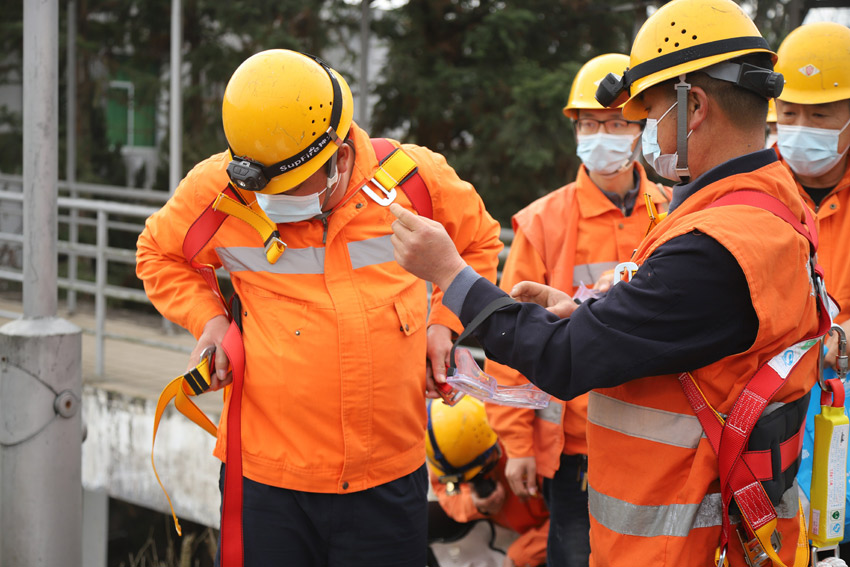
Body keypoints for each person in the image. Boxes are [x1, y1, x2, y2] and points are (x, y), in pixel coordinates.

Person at [389, 0, 828, 565]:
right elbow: (678, 328)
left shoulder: (717, 245)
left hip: (680, 543)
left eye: (647, 116)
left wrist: (450, 275)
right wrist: (587, 308)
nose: (640, 134)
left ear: (692, 106)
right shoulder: (768, 202)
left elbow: (566, 358)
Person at [136, 49, 503, 567]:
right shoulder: (223, 189)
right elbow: (158, 252)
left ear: (337, 153)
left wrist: (444, 324)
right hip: (267, 483)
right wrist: (211, 321)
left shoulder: (413, 182)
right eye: (262, 186)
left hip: (387, 478)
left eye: (289, 186)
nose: (271, 200)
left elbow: (479, 242)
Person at [483, 52, 669, 567]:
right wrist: (517, 443)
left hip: (659, 433)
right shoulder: (543, 222)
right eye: (589, 123)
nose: (601, 133)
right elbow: (508, 335)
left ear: (639, 128)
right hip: (575, 447)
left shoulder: (671, 211)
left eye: (614, 122)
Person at [772, 21, 850, 554]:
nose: (801, 128)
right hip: (768, 406)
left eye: (820, 115)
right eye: (789, 114)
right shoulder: (750, 189)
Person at [426, 396, 549, 567]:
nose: (470, 480)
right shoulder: (448, 452)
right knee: (421, 518)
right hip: (495, 529)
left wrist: (525, 553)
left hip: (542, 535)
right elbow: (445, 489)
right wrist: (475, 504)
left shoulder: (533, 448)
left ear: (493, 452)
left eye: (476, 473)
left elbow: (574, 516)